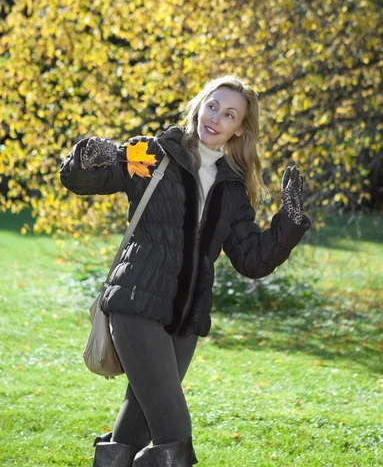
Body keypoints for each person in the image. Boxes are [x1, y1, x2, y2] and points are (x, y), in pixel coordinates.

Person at [59, 74, 311, 467]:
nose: (216, 118)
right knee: (174, 433)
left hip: (184, 323)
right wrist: (89, 155)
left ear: (239, 129)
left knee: (136, 427)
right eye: (213, 106)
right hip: (137, 304)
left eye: (229, 114)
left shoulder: (232, 187)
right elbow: (82, 179)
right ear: (200, 104)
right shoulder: (154, 154)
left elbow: (252, 259)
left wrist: (290, 221)